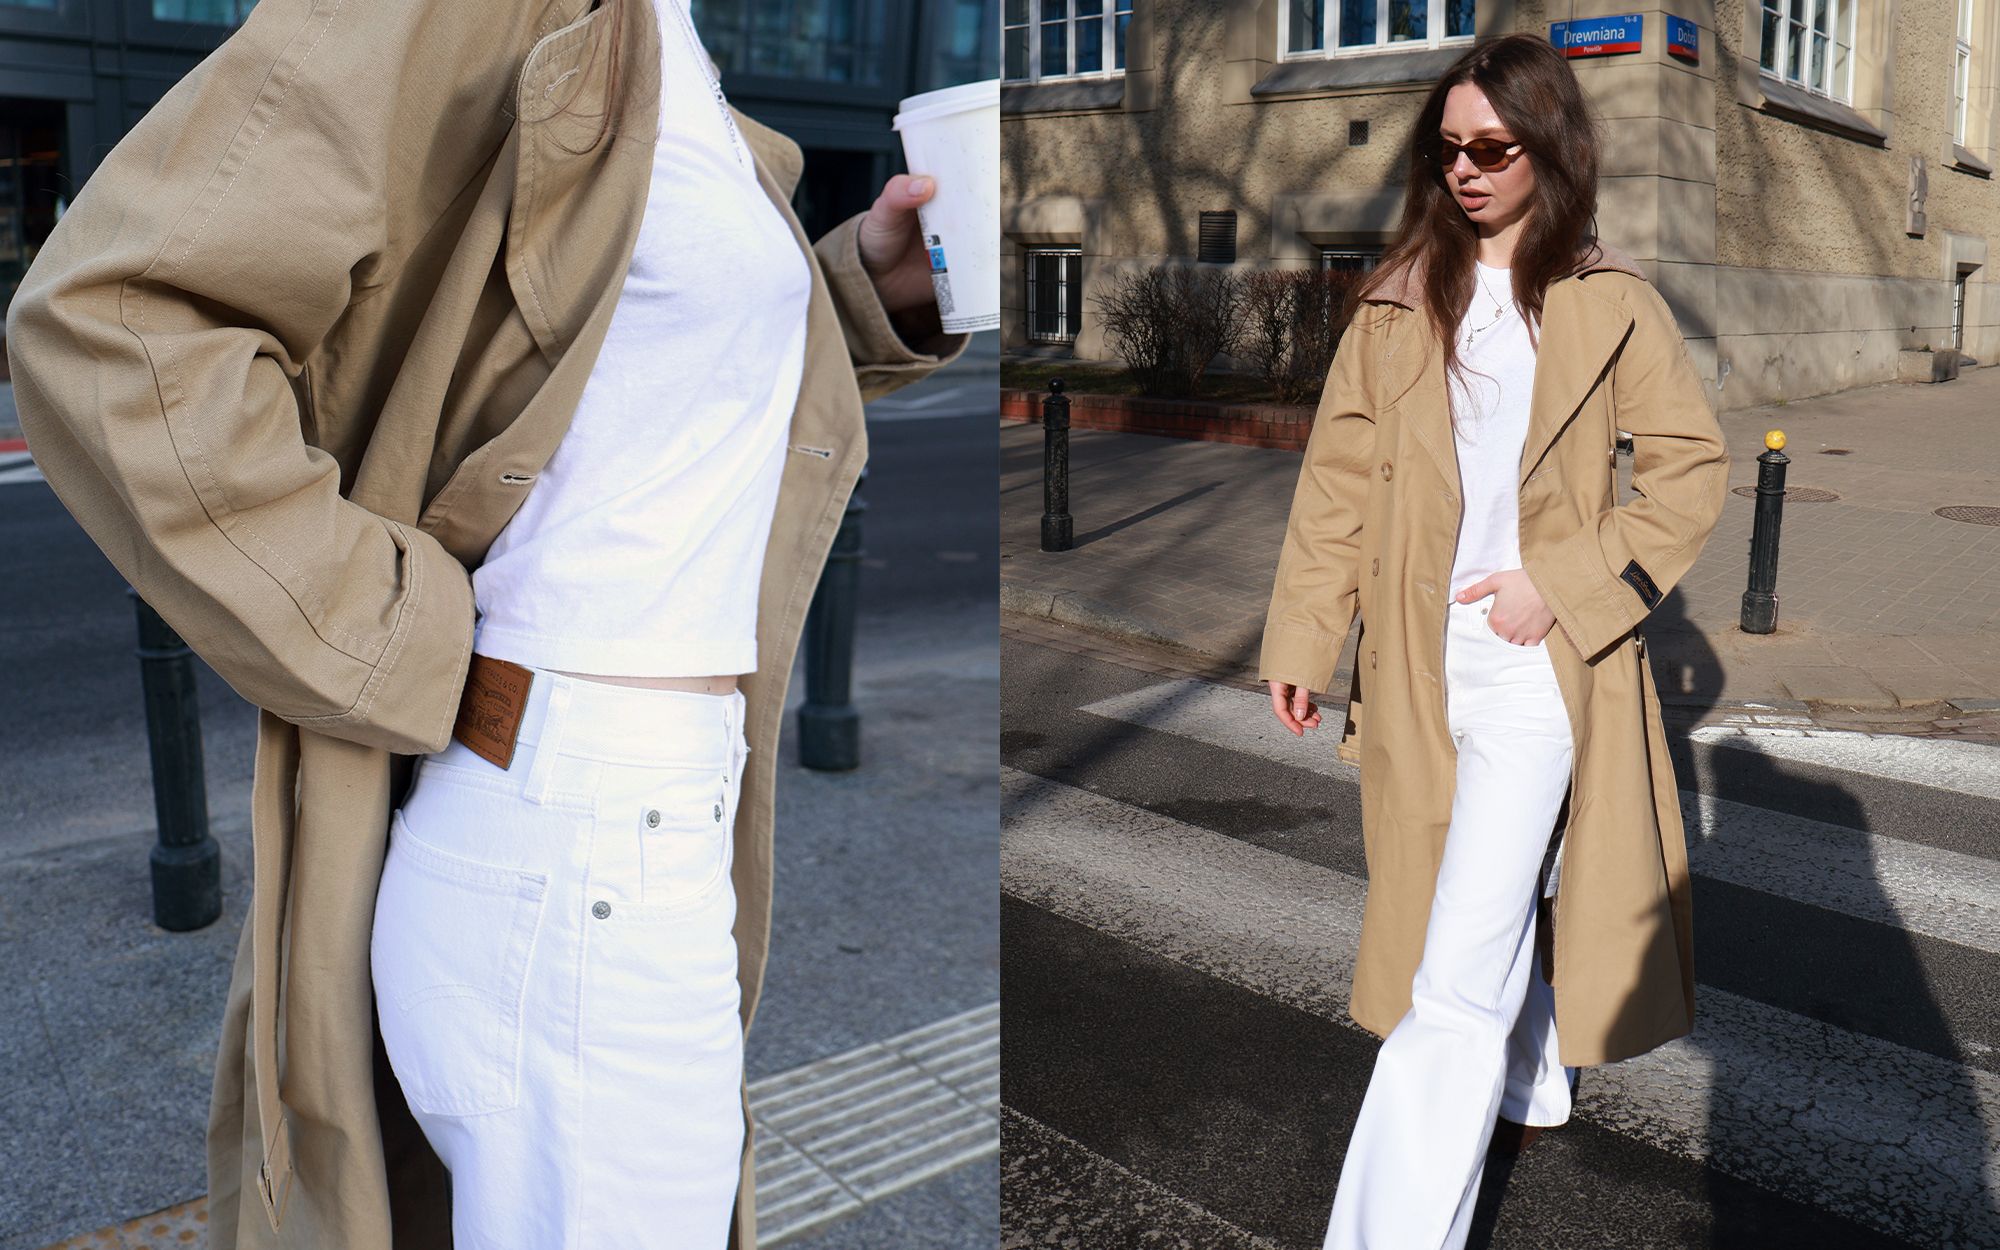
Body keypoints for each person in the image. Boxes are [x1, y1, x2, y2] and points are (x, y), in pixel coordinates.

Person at [4, 0, 971, 1245]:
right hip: (574, 830)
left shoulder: (667, 44)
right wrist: (394, 632)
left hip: (634, 823)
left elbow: (604, 390)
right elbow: (115, 322)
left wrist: (854, 287)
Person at [1257, 33, 1729, 1250]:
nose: (1464, 170)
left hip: (1536, 671)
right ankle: (1530, 1085)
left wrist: (1560, 584)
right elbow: (1336, 482)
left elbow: (1686, 470)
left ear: (1547, 150)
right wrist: (1305, 636)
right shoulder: (1396, 297)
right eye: (1446, 148)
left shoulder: (1605, 300)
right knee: (1450, 899)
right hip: (1413, 672)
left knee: (1449, 969)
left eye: (1491, 148)